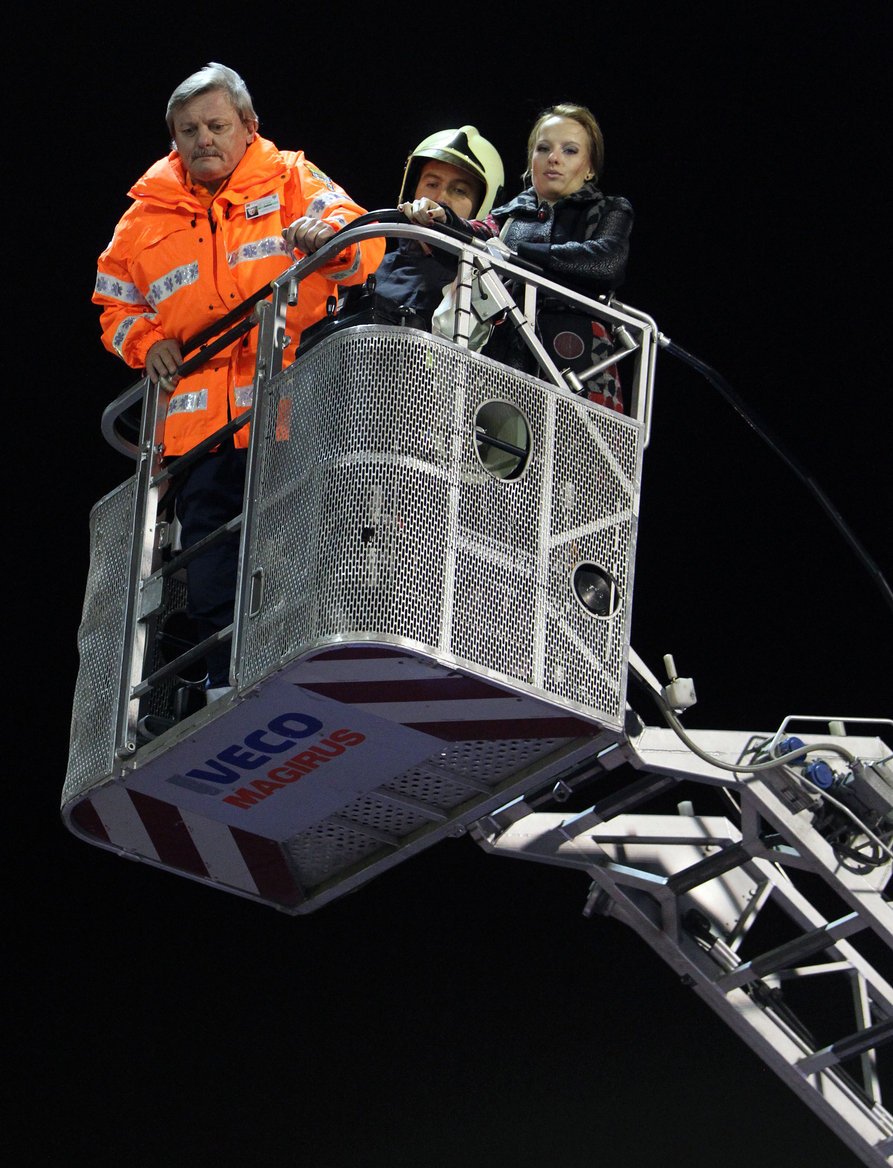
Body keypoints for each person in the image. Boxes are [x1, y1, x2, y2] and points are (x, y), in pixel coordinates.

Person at [93, 63, 383, 701]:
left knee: (295, 542)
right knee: (209, 558)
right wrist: (148, 342)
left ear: (249, 126)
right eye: (190, 129)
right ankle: (226, 683)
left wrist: (327, 239)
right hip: (200, 429)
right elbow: (114, 305)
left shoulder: (290, 177)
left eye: (217, 125)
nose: (204, 139)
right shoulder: (142, 218)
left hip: (289, 404)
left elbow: (362, 242)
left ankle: (307, 663)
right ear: (174, 138)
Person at [401, 103, 632, 410]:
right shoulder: (507, 217)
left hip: (581, 369)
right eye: (544, 148)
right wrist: (441, 217)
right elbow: (472, 236)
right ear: (530, 161)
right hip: (506, 362)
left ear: (590, 168)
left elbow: (606, 262)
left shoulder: (610, 209)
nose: (554, 158)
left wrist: (518, 254)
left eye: (570, 151)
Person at [370, 126, 504, 329]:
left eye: (459, 190)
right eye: (432, 184)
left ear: (482, 206)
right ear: (411, 190)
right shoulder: (371, 264)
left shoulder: (481, 285)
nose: (441, 199)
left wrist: (449, 223)